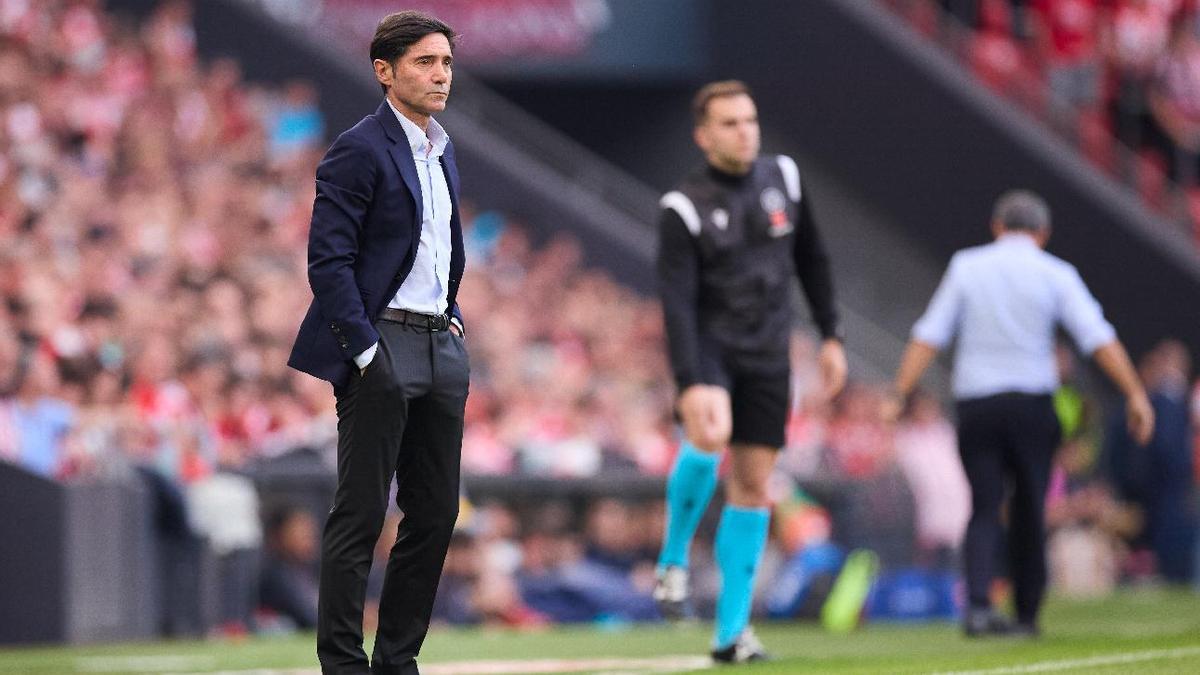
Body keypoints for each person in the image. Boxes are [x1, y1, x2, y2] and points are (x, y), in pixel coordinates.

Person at [286, 11, 470, 674]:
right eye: (425, 61)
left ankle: (397, 661)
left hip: (438, 344)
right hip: (381, 343)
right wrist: (365, 351)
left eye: (445, 62)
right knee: (360, 514)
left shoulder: (442, 147)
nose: (440, 74)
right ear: (384, 71)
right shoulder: (358, 148)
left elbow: (439, 250)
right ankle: (342, 663)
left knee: (436, 512)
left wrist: (451, 317)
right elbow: (327, 262)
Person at [891, 190, 1154, 638]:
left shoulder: (967, 266)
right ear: (1043, 232)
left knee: (984, 506)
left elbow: (929, 333)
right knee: (1031, 505)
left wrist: (898, 393)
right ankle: (1026, 613)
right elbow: (1097, 337)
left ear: (996, 226)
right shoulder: (1056, 273)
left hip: (979, 403)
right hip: (1033, 404)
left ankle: (977, 606)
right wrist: (1134, 393)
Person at [653, 80, 847, 664]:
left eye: (750, 119)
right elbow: (677, 304)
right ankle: (672, 559)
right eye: (731, 123)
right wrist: (688, 383)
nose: (746, 131)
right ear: (704, 136)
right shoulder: (682, 207)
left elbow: (813, 257)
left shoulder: (784, 178)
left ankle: (731, 633)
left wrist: (831, 335)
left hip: (769, 354)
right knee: (709, 436)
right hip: (712, 350)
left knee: (756, 485)